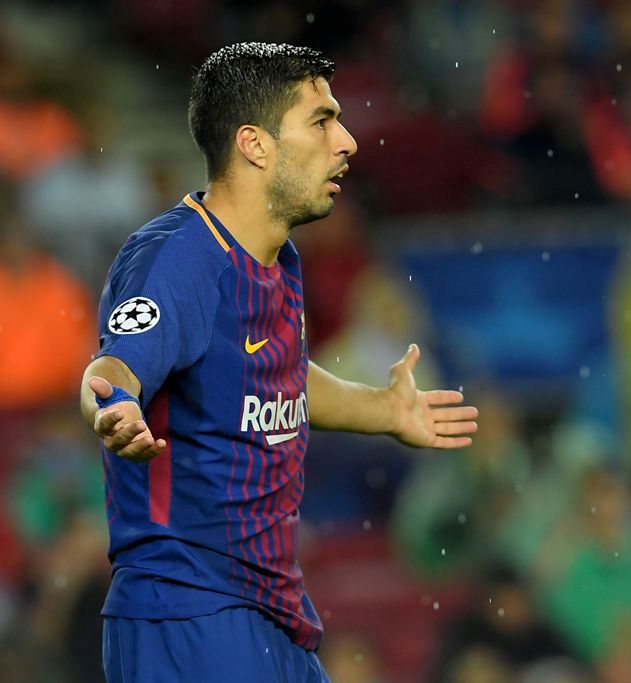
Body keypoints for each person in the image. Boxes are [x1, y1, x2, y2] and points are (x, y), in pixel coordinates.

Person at [77, 43, 479, 683]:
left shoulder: (276, 261)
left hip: (271, 618)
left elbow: (278, 374)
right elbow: (114, 368)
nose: (346, 141)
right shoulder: (180, 259)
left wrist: (383, 408)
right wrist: (115, 407)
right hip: (188, 615)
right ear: (254, 145)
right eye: (321, 121)